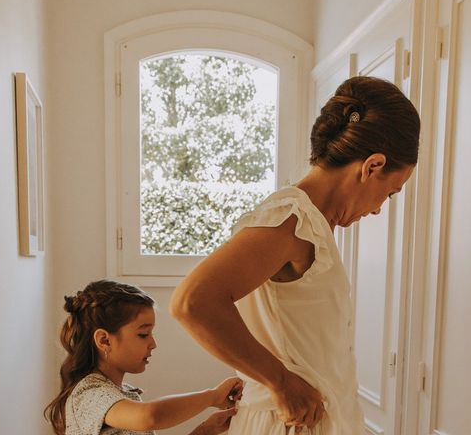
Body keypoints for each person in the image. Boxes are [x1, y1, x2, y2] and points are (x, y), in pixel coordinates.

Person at [170, 76, 420, 434]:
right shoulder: (291, 219)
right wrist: (280, 382)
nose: (380, 209)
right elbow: (191, 302)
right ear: (373, 166)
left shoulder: (308, 222)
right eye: (390, 192)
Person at [45, 280, 243, 435]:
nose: (153, 344)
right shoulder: (89, 394)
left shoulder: (126, 394)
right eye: (143, 334)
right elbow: (150, 416)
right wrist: (212, 396)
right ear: (104, 340)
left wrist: (205, 431)